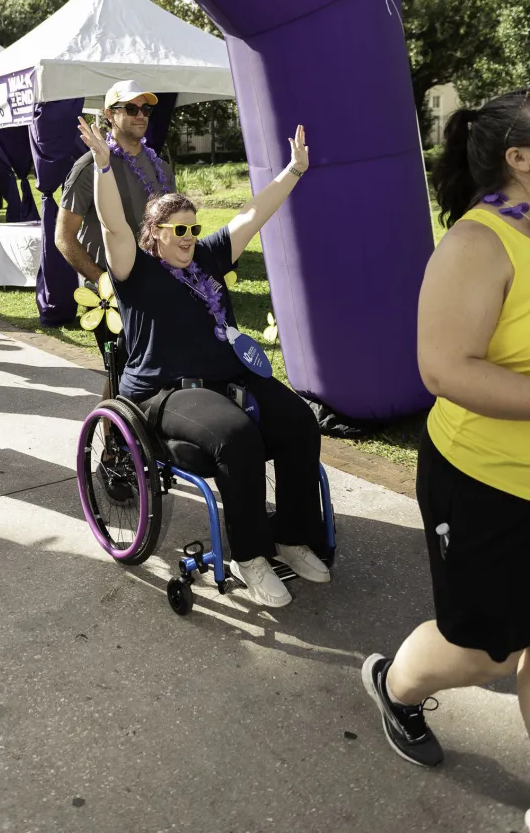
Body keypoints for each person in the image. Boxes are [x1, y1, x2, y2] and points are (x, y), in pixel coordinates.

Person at [78, 116, 329, 608]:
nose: (190, 236)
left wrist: (293, 171)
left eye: (193, 227)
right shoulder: (135, 269)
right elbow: (112, 224)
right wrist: (104, 168)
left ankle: (291, 537)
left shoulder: (209, 257)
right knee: (236, 437)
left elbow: (253, 215)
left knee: (300, 422)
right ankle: (250, 556)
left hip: (229, 377)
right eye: (179, 229)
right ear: (155, 232)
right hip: (166, 391)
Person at [362, 90, 530, 776]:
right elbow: (443, 367)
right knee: (486, 652)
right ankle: (393, 686)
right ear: (520, 159)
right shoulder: (477, 243)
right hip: (486, 483)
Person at [57, 81, 175, 371]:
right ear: (109, 114)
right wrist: (102, 282)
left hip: (155, 287)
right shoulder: (89, 166)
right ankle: (112, 417)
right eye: (132, 108)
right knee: (123, 373)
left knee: (152, 375)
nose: (141, 115)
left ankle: (111, 418)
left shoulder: (160, 167)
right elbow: (64, 236)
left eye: (145, 109)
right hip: (110, 297)